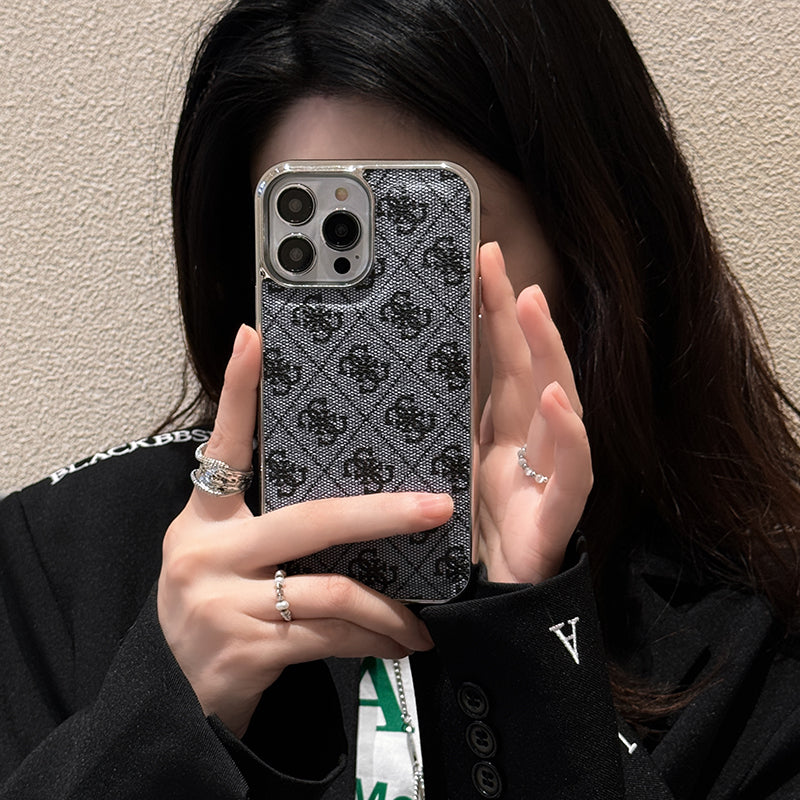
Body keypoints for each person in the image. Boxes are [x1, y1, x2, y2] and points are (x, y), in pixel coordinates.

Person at [1, 0, 799, 797]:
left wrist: (529, 640)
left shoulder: (751, 632)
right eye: (307, 241)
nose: (380, 322)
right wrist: (163, 720)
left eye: (429, 238)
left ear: (587, 250)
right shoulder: (56, 566)